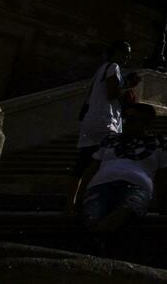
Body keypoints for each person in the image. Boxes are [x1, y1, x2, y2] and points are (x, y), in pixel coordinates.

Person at [72, 102, 167, 255]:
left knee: (124, 212)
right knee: (92, 217)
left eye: (131, 120)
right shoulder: (110, 139)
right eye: (125, 118)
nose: (125, 122)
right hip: (100, 185)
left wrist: (163, 207)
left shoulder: (162, 143)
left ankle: (96, 249)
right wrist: (76, 200)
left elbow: (163, 178)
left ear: (147, 123)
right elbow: (91, 170)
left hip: (137, 186)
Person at [71, 40, 130, 211]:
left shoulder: (101, 69)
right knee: (105, 163)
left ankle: (71, 203)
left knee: (83, 163)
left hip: (91, 120)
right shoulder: (114, 68)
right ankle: (91, 200)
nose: (128, 56)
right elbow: (112, 93)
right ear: (116, 52)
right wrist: (128, 87)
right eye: (126, 52)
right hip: (105, 122)